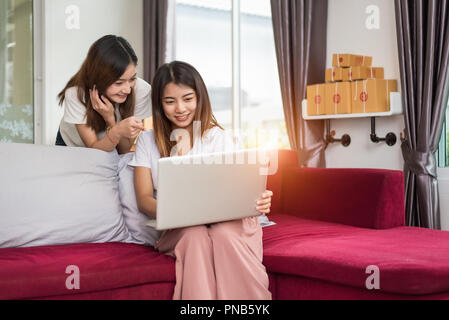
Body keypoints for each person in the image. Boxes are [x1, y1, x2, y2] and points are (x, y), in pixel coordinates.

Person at [129, 61, 273, 300]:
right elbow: (144, 199)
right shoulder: (147, 141)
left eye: (188, 98)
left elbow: (238, 191)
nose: (180, 108)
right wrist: (181, 212)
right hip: (180, 226)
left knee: (223, 234)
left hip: (229, 223)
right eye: (170, 101)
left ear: (199, 98)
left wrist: (257, 200)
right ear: (159, 104)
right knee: (195, 234)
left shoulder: (217, 137)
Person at [56, 35, 150, 154]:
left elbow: (123, 150)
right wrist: (116, 130)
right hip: (72, 145)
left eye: (132, 79)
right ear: (99, 78)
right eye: (118, 83)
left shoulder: (142, 90)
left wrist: (110, 120)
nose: (127, 90)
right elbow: (94, 151)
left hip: (108, 147)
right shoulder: (76, 94)